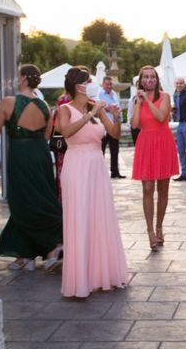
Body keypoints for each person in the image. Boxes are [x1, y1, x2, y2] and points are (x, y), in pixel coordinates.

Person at [0, 64, 62, 271]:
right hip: (41, 157)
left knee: (21, 202)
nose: (15, 78)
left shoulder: (9, 103)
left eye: (18, 75)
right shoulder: (45, 105)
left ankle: (50, 246)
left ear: (24, 79)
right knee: (41, 200)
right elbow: (46, 136)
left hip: (20, 156)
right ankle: (28, 253)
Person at [57, 66, 128, 298]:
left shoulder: (96, 109)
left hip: (97, 166)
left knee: (99, 217)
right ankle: (80, 279)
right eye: (88, 81)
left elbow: (114, 134)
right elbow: (66, 132)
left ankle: (101, 274)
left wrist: (115, 115)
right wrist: (90, 114)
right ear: (79, 86)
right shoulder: (65, 109)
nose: (92, 84)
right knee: (80, 218)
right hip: (76, 166)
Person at [131, 66, 179, 250]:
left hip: (163, 142)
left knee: (163, 189)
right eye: (146, 77)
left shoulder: (164, 97)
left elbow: (160, 117)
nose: (149, 79)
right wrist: (138, 103)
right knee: (147, 188)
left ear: (156, 79)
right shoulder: (137, 100)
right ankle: (150, 231)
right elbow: (135, 124)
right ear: (141, 80)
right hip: (146, 144)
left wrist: (148, 102)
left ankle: (160, 227)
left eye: (152, 77)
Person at [98, 76, 125, 179]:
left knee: (115, 150)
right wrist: (107, 108)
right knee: (101, 151)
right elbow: (97, 106)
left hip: (114, 126)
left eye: (110, 84)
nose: (109, 86)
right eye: (107, 84)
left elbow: (118, 109)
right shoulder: (99, 94)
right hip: (104, 127)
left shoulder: (114, 94)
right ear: (103, 84)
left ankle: (115, 172)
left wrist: (120, 121)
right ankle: (101, 173)